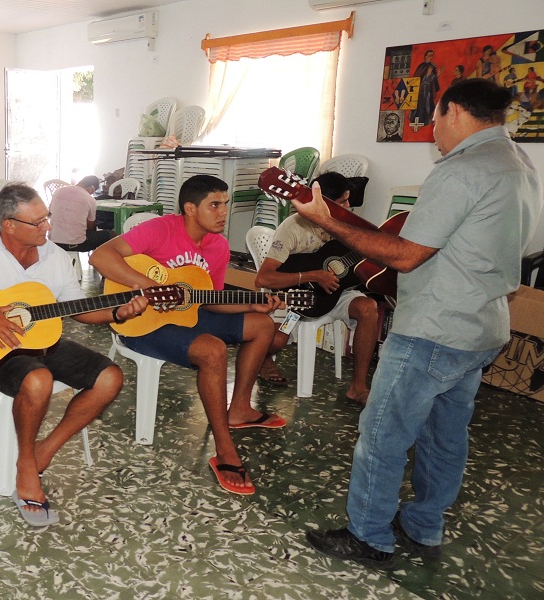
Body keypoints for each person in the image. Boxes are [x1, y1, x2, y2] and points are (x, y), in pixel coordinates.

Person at [302, 79, 542, 568]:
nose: (433, 134)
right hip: (482, 326)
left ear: (454, 111)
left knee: (383, 434)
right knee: (444, 435)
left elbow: (406, 255)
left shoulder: (464, 170)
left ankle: (369, 537)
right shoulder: (518, 162)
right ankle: (424, 525)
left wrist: (326, 221)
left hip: (434, 328)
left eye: (434, 120)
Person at [0, 183, 147, 526]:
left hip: (41, 339)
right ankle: (24, 464)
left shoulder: (55, 256)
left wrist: (117, 313)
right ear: (8, 225)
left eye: (46, 217)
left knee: (111, 378)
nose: (48, 227)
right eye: (38, 222)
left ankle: (42, 452)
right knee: (38, 380)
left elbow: (77, 309)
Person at [89, 175, 285, 497]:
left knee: (263, 326)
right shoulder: (161, 229)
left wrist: (252, 304)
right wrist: (149, 287)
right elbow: (101, 256)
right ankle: (223, 449)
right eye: (215, 205)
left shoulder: (218, 246)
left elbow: (210, 299)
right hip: (144, 323)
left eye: (226, 204)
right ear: (190, 209)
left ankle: (239, 409)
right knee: (212, 350)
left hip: (191, 315)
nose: (224, 212)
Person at [254, 171, 379, 405]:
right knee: (277, 342)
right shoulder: (291, 228)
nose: (349, 205)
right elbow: (264, 279)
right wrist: (313, 275)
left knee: (368, 308)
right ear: (326, 203)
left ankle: (358, 387)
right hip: (299, 296)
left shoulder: (345, 224)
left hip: (337, 292)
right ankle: (263, 360)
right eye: (343, 201)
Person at [49, 175, 116, 252]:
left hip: (53, 243)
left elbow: (50, 213)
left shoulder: (58, 191)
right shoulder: (89, 199)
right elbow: (91, 227)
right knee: (112, 234)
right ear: (92, 188)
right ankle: (99, 259)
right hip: (77, 244)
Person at [412, 50, 441, 126]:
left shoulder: (433, 66)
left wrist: (436, 75)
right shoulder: (421, 66)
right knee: (420, 105)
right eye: (429, 55)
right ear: (425, 56)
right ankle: (419, 120)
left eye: (432, 55)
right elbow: (416, 78)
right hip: (421, 89)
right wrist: (427, 75)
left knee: (428, 105)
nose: (431, 57)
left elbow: (433, 80)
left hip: (429, 90)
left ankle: (426, 120)